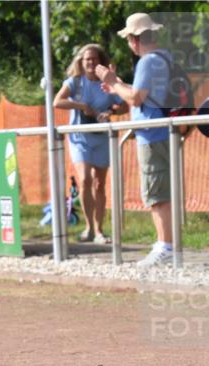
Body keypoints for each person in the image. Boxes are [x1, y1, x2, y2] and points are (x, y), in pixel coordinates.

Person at [96, 13, 174, 267]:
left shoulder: (148, 62)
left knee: (156, 192)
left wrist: (112, 83)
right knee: (162, 190)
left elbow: (137, 98)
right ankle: (165, 243)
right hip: (164, 132)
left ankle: (165, 246)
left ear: (133, 38)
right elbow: (146, 93)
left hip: (153, 134)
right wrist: (118, 83)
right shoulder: (164, 58)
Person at [54, 44, 126, 244]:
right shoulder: (75, 82)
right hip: (79, 137)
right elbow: (57, 101)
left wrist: (111, 112)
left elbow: (125, 105)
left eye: (94, 59)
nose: (91, 62)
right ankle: (88, 227)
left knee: (99, 183)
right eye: (87, 59)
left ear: (100, 61)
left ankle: (99, 229)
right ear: (81, 61)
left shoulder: (108, 82)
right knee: (85, 179)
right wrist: (81, 106)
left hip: (102, 135)